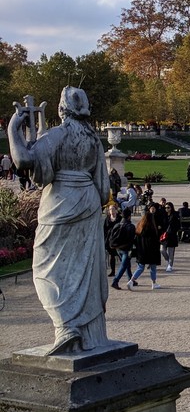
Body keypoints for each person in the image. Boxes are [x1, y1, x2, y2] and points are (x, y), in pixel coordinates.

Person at [6, 86, 111, 353]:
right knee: (83, 270)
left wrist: (12, 129)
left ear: (61, 110)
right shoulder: (93, 140)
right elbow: (104, 190)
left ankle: (65, 326)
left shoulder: (57, 135)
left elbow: (23, 160)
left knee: (45, 270)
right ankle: (90, 335)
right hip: (87, 201)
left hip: (61, 202)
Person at [128, 210, 162, 290]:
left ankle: (131, 281)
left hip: (141, 251)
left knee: (140, 268)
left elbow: (135, 240)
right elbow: (155, 242)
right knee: (153, 268)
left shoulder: (140, 227)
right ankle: (154, 283)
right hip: (151, 251)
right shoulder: (152, 229)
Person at [108, 207, 137, 289]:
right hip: (126, 248)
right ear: (129, 216)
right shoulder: (131, 226)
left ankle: (131, 279)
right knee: (124, 265)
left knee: (127, 264)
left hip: (118, 248)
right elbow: (132, 239)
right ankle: (115, 281)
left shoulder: (117, 225)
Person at [161, 201, 181, 273]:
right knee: (162, 250)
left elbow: (178, 225)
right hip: (164, 236)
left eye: (168, 207)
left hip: (172, 235)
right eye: (165, 207)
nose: (166, 209)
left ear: (171, 208)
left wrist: (173, 230)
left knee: (171, 252)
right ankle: (168, 260)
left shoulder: (175, 215)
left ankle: (170, 265)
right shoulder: (164, 215)